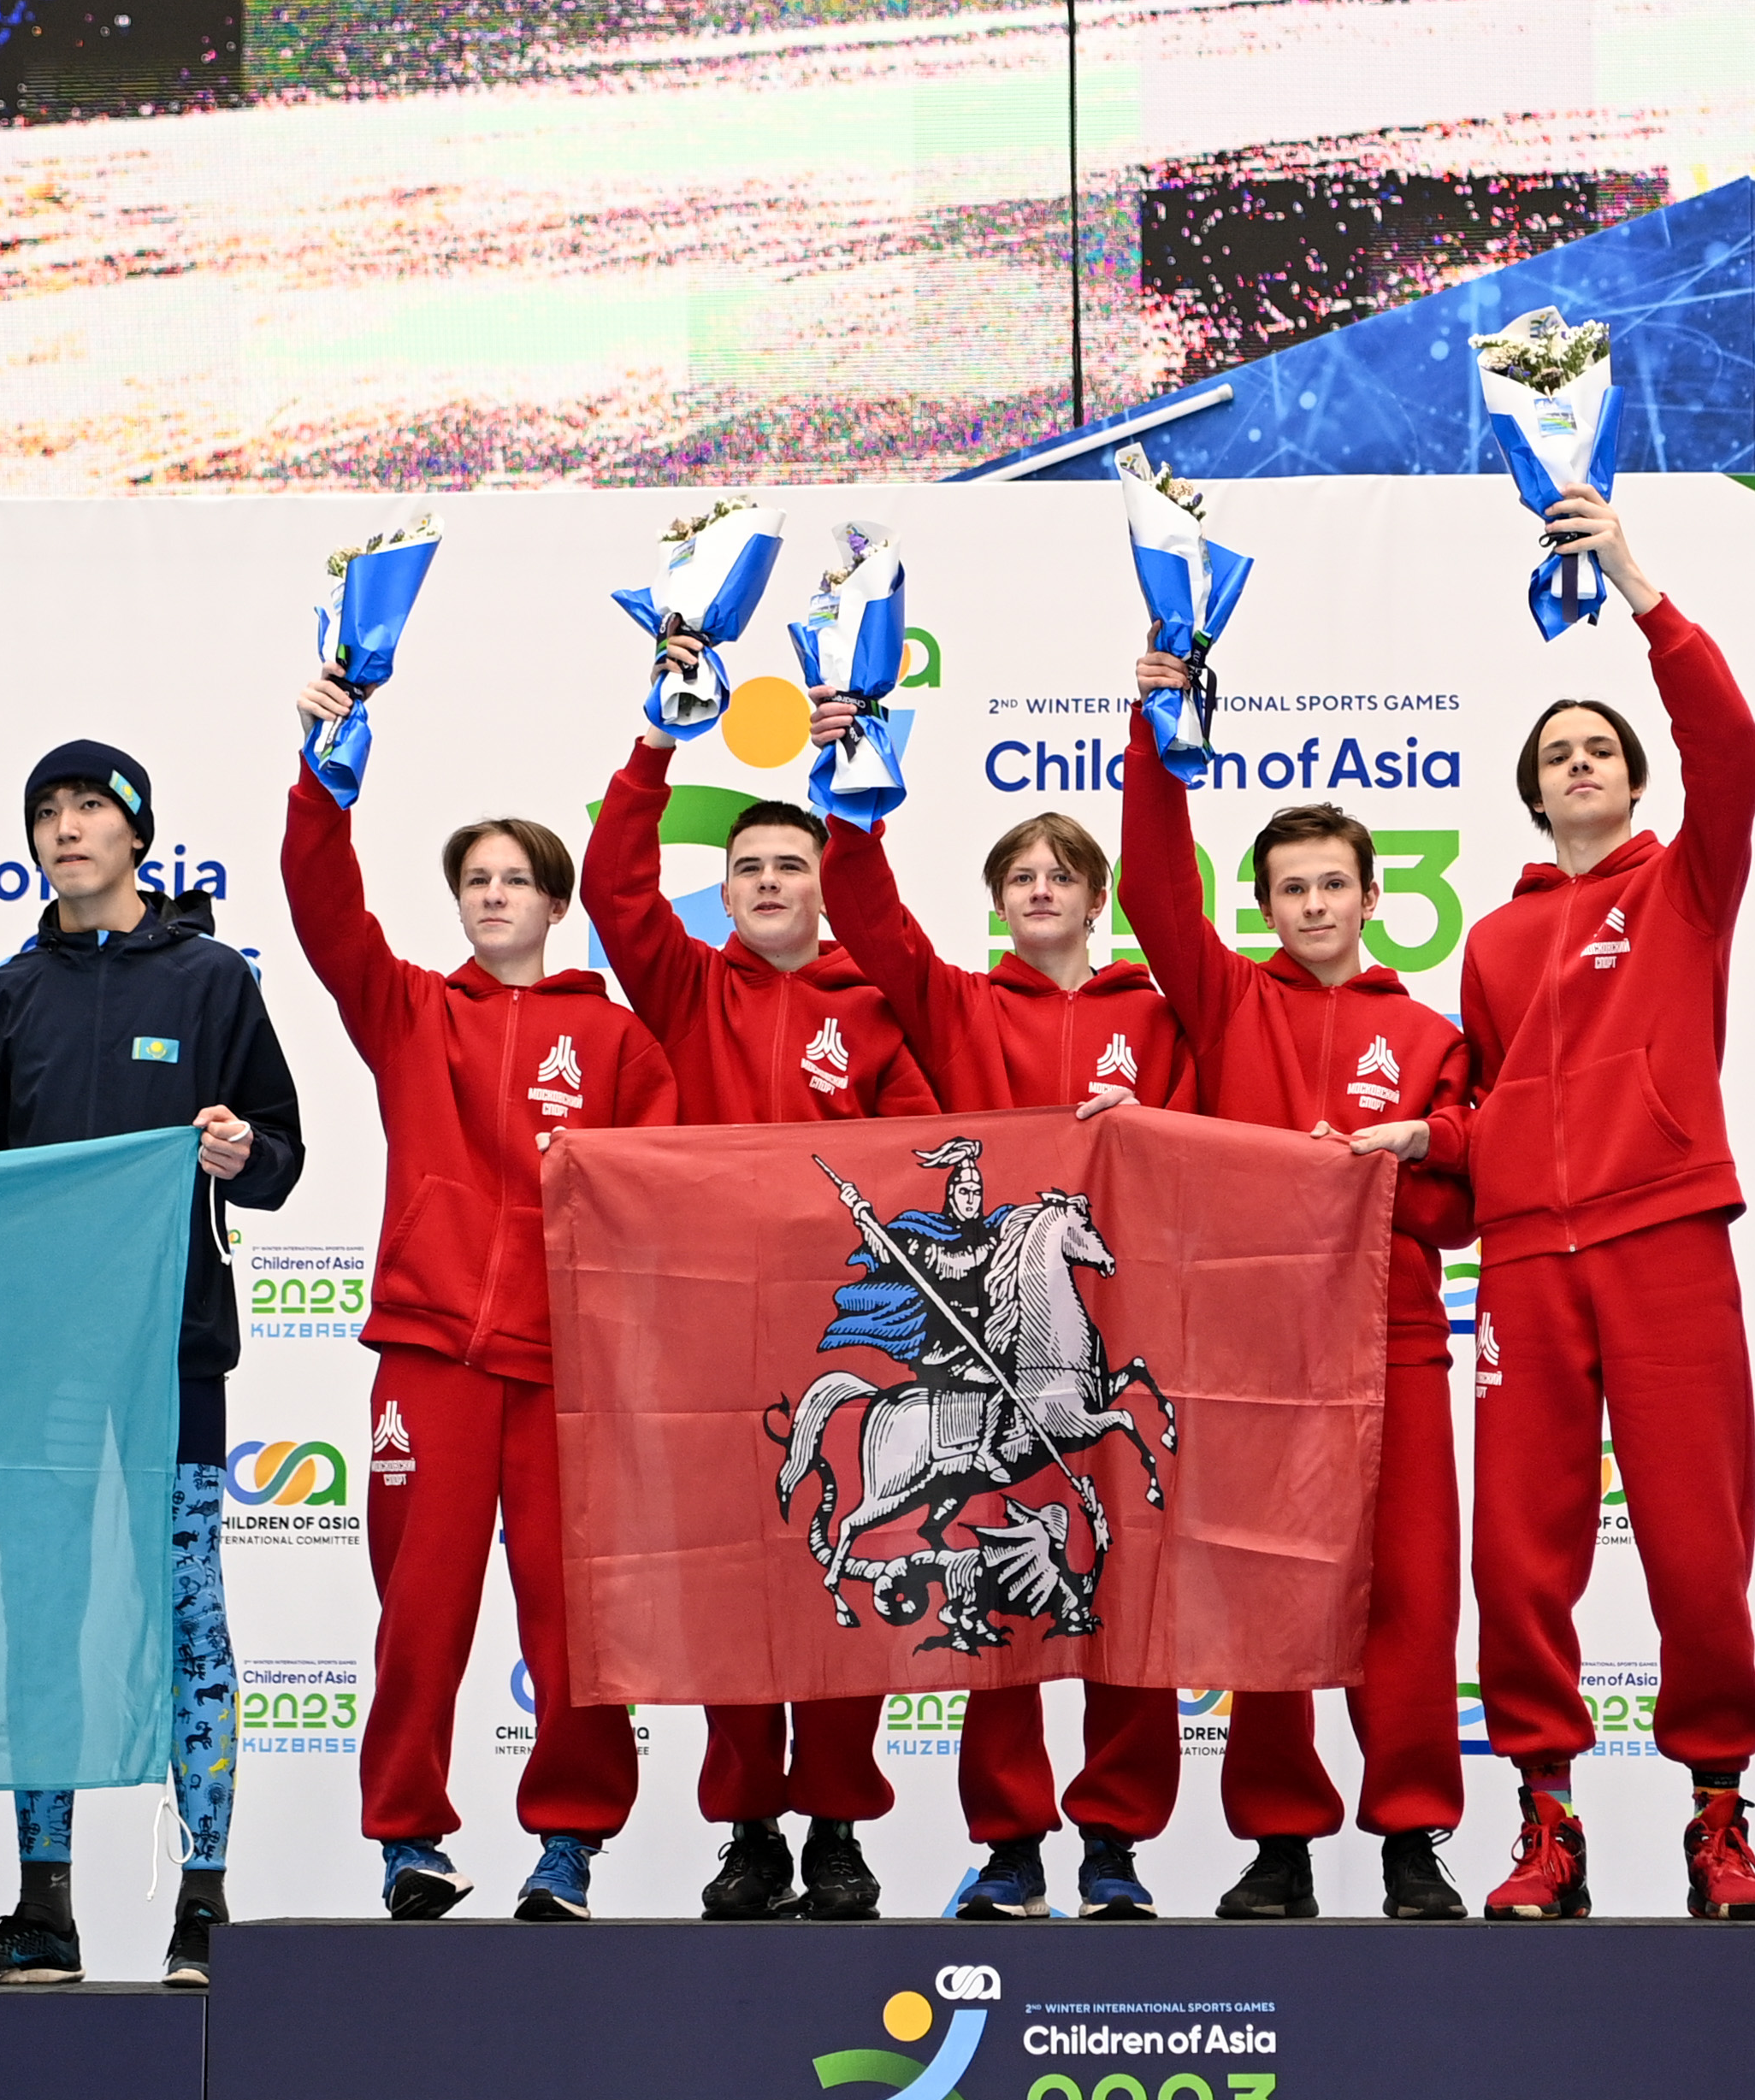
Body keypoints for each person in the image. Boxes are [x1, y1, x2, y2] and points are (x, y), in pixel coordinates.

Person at [1426, 488, 1755, 1924]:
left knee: (1696, 1549)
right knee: (1515, 1555)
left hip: (1662, 1237)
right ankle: (1545, 1823)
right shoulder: (1493, 939)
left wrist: (1635, 586)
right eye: (1556, 754)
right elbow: (1485, 1109)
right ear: (1533, 793)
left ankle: (1718, 1823)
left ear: (1632, 782)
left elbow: (1732, 747)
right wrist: (1410, 1142)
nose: (1579, 764)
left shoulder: (1685, 887)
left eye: (1600, 750)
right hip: (1523, 1262)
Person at [286, 664, 674, 1927]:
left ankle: (567, 1847)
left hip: (564, 1375)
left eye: (515, 879)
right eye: (474, 881)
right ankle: (409, 1841)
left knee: (575, 1626)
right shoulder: (411, 1013)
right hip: (432, 1356)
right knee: (420, 1616)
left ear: (556, 904)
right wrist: (321, 788)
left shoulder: (619, 1043)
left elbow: (656, 1217)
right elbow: (323, 914)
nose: (492, 895)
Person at [576, 671, 939, 1922]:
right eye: (750, 870)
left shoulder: (877, 1010)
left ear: (825, 884)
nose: (772, 882)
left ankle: (835, 1820)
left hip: (852, 1340)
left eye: (793, 864)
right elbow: (613, 891)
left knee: (849, 1552)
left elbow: (919, 1161)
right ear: (723, 894)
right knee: (733, 1577)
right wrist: (652, 750)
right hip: (711, 1342)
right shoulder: (687, 989)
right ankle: (746, 1827)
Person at [805, 753, 1192, 1923]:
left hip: (1130, 1322)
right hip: (994, 1349)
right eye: (1019, 876)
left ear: (1097, 896)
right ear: (998, 902)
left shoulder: (1160, 1015)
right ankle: (1011, 1847)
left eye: (1060, 874)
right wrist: (851, 805)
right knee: (997, 1569)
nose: (1040, 889)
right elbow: (870, 921)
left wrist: (1152, 1127)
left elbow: (1214, 1143)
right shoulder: (962, 1007)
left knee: (1130, 1585)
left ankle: (1116, 1846)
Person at [1118, 707, 1478, 1920]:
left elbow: (1464, 1205)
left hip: (1393, 1348)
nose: (1315, 904)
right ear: (1263, 907)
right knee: (1266, 1594)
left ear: (1374, 896)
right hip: (1252, 1354)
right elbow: (1151, 884)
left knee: (1409, 1596)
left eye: (1333, 884)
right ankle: (1279, 1841)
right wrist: (1155, 732)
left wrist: (1414, 1149)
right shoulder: (1228, 1004)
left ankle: (1412, 1835)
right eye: (1291, 889)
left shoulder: (1428, 1037)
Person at [0, 740, 302, 1985]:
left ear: (137, 833)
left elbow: (282, 1156)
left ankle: (203, 1902)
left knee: (190, 1615)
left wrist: (239, 1155)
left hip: (173, 1356)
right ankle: (41, 1910)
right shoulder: (3, 997)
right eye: (46, 810)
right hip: (42, 1368)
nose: (66, 828)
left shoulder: (213, 979)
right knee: (40, 1617)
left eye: (90, 808)